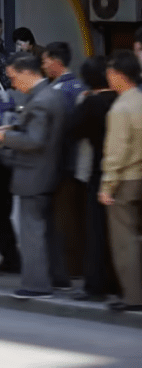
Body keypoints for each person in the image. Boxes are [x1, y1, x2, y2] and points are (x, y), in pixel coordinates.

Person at [0, 53, 71, 299]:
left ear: (27, 73)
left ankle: (36, 285)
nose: (13, 83)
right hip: (51, 171)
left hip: (33, 173)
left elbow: (35, 140)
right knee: (48, 230)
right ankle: (57, 278)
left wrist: (6, 137)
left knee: (32, 232)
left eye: (13, 77)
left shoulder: (40, 100)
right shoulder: (53, 94)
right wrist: (15, 128)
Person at [68, 56, 118, 301]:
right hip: (125, 170)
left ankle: (96, 285)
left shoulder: (91, 103)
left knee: (96, 230)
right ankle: (119, 282)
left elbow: (72, 129)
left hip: (99, 170)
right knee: (119, 231)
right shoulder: (122, 98)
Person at [98, 50, 142, 312]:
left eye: (110, 72)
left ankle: (133, 296)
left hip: (126, 180)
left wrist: (107, 186)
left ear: (118, 75)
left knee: (125, 241)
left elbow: (115, 153)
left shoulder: (120, 108)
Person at [42, 41, 88, 278]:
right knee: (78, 216)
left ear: (56, 61)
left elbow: (58, 130)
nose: (43, 65)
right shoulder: (82, 86)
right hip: (81, 162)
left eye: (45, 60)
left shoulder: (58, 91)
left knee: (64, 218)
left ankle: (70, 268)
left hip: (63, 162)